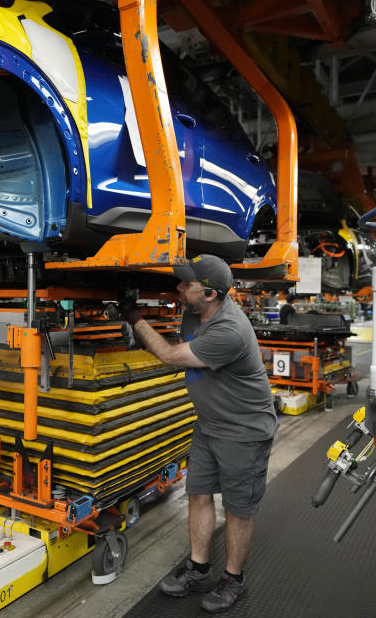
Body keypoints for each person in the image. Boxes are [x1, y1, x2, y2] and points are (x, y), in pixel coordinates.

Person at [118, 254, 276, 613]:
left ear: (210, 295)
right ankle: (198, 569)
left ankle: (233, 579)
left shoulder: (229, 330)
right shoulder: (195, 311)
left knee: (238, 509)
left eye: (187, 284)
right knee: (198, 494)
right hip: (209, 426)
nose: (179, 287)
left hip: (244, 432)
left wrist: (134, 317)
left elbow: (172, 356)